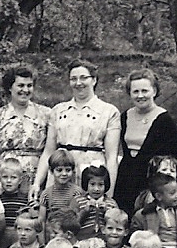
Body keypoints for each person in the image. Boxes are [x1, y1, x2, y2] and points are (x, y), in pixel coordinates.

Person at [32, 59, 121, 199]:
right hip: (61, 171)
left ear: (94, 80)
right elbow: (49, 150)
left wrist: (109, 193)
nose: (78, 83)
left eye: (83, 78)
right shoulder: (58, 110)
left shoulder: (109, 111)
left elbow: (111, 157)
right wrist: (37, 183)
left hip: (92, 175)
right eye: (73, 79)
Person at [115, 69, 177, 215]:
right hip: (125, 181)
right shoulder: (125, 116)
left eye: (145, 91)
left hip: (150, 185)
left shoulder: (165, 120)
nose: (140, 96)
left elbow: (176, 159)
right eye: (135, 91)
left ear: (154, 91)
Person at [0, 63, 52, 192]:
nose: (25, 90)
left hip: (37, 176)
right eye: (20, 85)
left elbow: (50, 148)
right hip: (7, 178)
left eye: (29, 86)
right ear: (10, 88)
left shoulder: (45, 114)